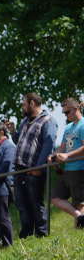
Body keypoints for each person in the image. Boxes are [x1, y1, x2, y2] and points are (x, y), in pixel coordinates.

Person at [12, 93, 58, 238]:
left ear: (32, 103)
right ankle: (26, 234)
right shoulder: (24, 121)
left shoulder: (48, 120)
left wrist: (38, 167)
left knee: (35, 203)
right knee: (22, 204)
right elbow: (20, 141)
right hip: (19, 169)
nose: (22, 107)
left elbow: (48, 144)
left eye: (24, 104)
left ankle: (42, 234)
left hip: (34, 169)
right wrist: (13, 132)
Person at [49, 97, 84, 229]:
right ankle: (79, 217)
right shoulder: (68, 127)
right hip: (68, 169)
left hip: (80, 168)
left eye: (67, 112)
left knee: (80, 203)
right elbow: (62, 147)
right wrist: (54, 155)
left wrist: (67, 155)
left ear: (76, 109)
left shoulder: (83, 124)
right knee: (55, 198)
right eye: (63, 113)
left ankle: (80, 232)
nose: (65, 115)